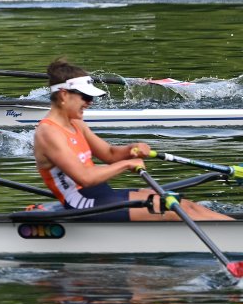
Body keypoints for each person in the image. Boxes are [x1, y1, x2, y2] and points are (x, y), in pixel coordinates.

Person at [34, 58, 231, 221]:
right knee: (174, 211)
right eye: (85, 98)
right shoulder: (49, 132)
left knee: (183, 203)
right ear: (63, 95)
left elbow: (109, 154)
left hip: (102, 195)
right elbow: (85, 178)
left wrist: (131, 149)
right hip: (82, 204)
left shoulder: (76, 123)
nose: (89, 103)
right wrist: (127, 164)